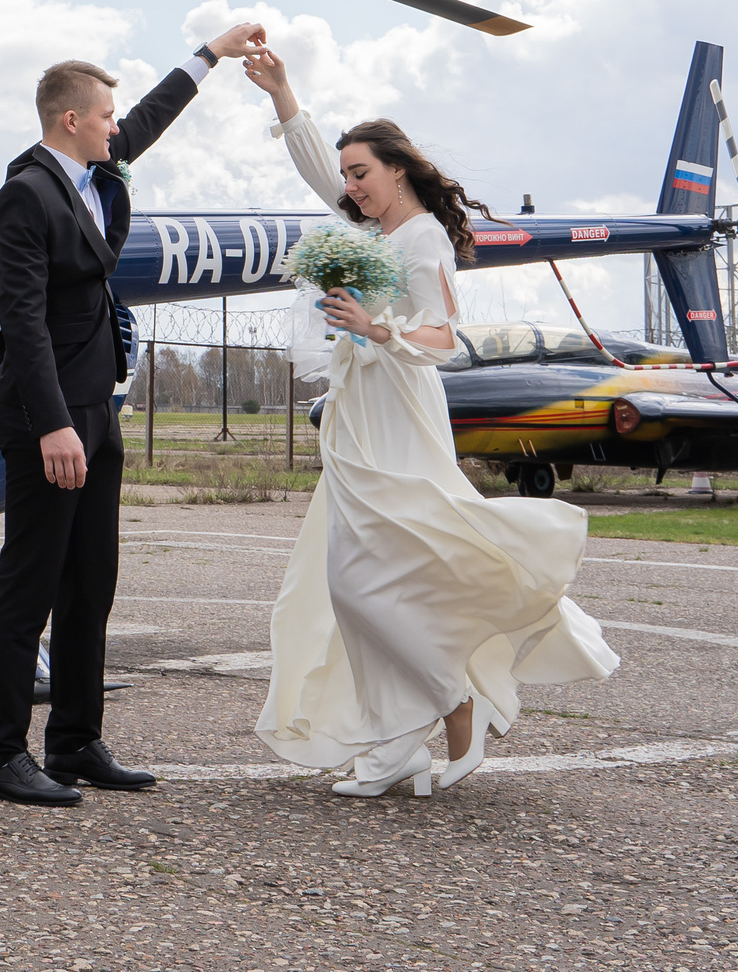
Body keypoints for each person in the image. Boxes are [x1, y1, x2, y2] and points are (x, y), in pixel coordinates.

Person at [243, 48, 619, 797]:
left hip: (398, 412)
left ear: (399, 170)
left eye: (361, 173)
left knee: (363, 582)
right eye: (347, 175)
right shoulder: (370, 229)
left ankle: (454, 699)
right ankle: (395, 748)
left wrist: (376, 328)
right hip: (356, 415)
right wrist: (284, 93)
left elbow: (444, 338)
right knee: (355, 582)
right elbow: (316, 169)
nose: (350, 186)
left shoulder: (422, 239)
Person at [0, 24, 267, 807]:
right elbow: (22, 321)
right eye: (105, 115)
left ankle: (73, 739)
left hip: (98, 409)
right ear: (71, 120)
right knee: (28, 585)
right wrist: (53, 423)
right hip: (51, 416)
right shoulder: (27, 193)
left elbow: (149, 118)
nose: (116, 125)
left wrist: (212, 53)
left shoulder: (93, 170)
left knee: (90, 584)